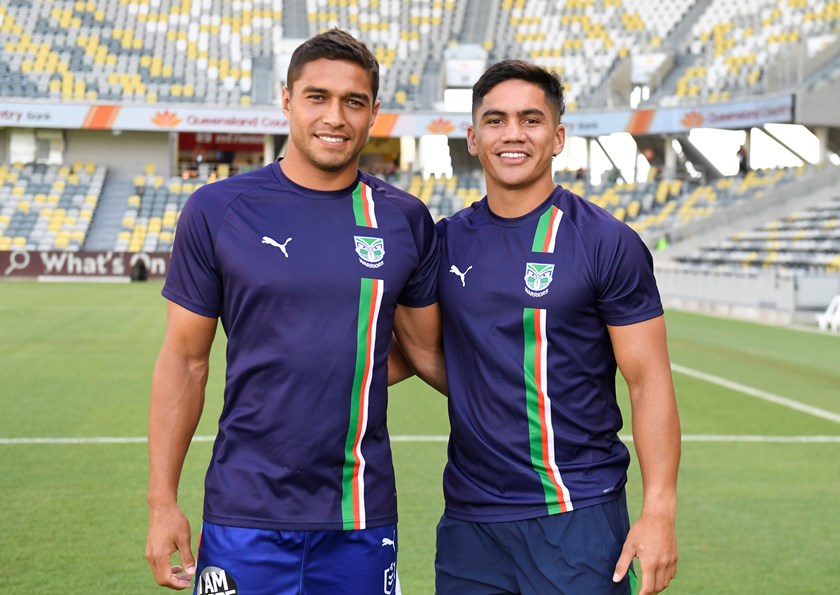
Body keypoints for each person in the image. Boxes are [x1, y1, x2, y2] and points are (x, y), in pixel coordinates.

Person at [145, 28, 443, 594]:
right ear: (286, 101)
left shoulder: (404, 219)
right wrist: (162, 503)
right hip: (242, 511)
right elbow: (185, 361)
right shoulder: (218, 210)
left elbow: (426, 351)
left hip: (360, 510)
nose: (335, 116)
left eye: (353, 102)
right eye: (317, 97)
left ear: (373, 113)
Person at [433, 60, 681, 595]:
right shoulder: (445, 242)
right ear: (473, 138)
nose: (513, 134)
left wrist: (659, 510)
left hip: (577, 516)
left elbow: (649, 379)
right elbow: (406, 349)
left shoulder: (606, 242)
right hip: (469, 524)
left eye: (531, 119)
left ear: (558, 136)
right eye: (495, 121)